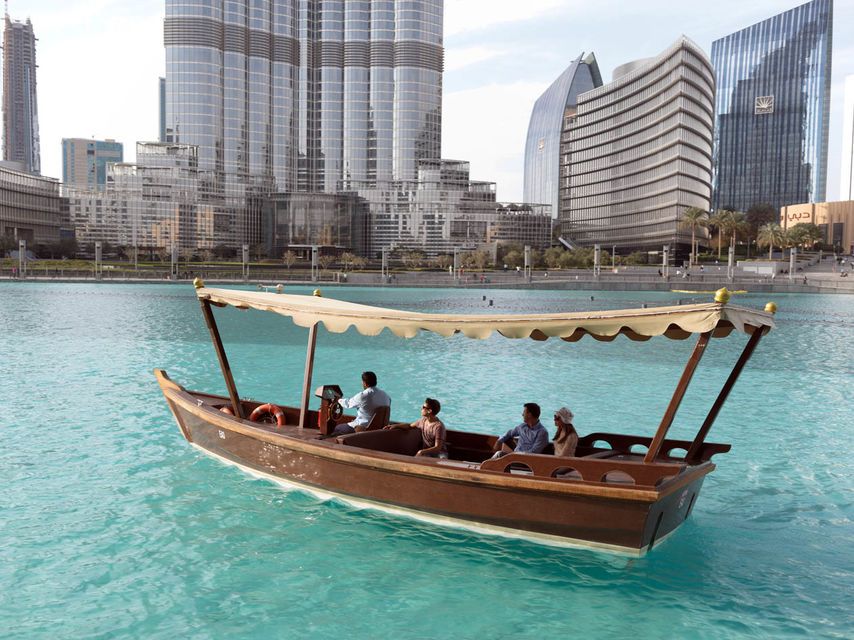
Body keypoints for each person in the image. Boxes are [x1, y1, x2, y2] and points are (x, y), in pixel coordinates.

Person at [331, 371, 391, 436]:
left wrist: (338, 400)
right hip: (379, 429)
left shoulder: (363, 396)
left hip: (364, 429)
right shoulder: (386, 396)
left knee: (338, 428)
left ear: (364, 383)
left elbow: (348, 404)